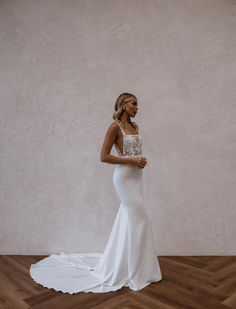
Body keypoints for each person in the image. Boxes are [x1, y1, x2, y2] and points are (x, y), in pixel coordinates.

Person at [29, 92, 162, 294]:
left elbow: (135, 153)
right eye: (134, 104)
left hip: (137, 177)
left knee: (130, 220)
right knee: (140, 218)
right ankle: (135, 270)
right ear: (124, 105)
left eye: (137, 104)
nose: (137, 107)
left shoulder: (135, 127)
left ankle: (135, 267)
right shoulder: (114, 127)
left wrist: (141, 160)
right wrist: (131, 161)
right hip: (124, 178)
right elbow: (104, 156)